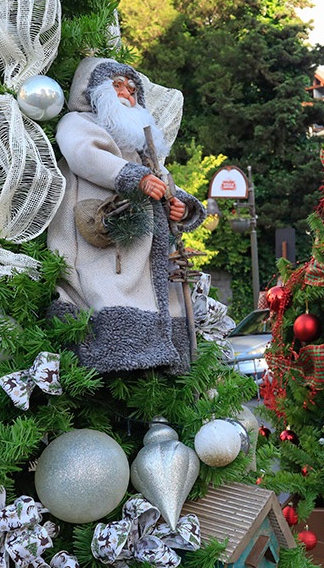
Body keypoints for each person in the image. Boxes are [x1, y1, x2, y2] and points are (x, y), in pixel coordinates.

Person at [47, 57, 206, 375]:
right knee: (103, 291)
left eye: (133, 90)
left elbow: (164, 179)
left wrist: (180, 205)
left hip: (143, 251)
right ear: (90, 91)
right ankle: (114, 357)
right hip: (101, 241)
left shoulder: (139, 144)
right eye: (117, 86)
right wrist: (133, 177)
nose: (127, 94)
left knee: (157, 299)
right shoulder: (80, 123)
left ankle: (160, 357)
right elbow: (83, 154)